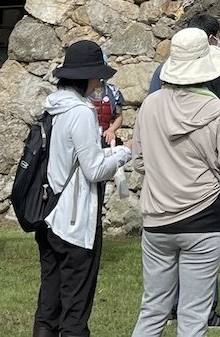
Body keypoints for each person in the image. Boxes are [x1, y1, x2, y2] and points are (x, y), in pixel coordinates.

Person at [129, 28, 220, 337]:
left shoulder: (149, 106)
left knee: (152, 310)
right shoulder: (217, 111)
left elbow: (139, 162)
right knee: (194, 315)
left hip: (157, 218)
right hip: (204, 218)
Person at [34, 39, 134, 337]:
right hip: (75, 221)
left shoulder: (53, 108)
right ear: (88, 77)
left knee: (49, 301)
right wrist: (125, 151)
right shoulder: (80, 112)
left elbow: (72, 158)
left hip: (49, 211)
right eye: (99, 76)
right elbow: (93, 170)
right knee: (76, 306)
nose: (100, 82)